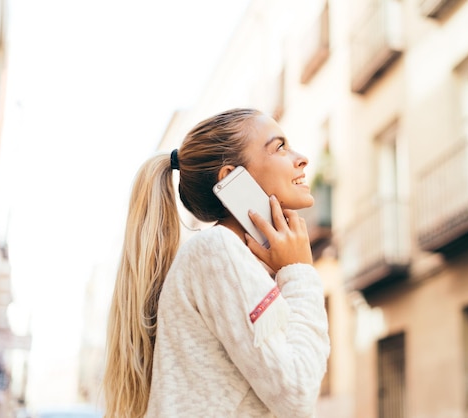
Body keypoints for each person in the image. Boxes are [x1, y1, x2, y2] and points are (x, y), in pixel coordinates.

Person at [102, 108, 330, 418]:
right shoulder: (216, 251)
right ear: (231, 178)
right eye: (280, 147)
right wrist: (300, 273)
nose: (302, 158)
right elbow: (297, 394)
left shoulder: (239, 262)